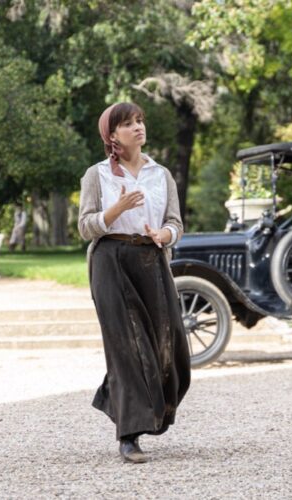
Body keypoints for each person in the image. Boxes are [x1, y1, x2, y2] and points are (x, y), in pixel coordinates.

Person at [77, 102, 190, 463]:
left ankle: (114, 396)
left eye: (140, 121)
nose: (138, 127)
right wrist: (116, 210)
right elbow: (84, 227)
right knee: (128, 347)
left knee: (169, 347)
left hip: (152, 260)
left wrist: (165, 233)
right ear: (112, 136)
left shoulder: (162, 174)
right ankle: (129, 434)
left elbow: (176, 223)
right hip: (111, 261)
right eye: (128, 124)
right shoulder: (97, 175)